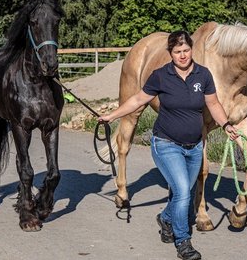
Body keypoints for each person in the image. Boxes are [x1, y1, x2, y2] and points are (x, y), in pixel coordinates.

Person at [98, 30, 238, 260]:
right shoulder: (161, 76)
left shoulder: (203, 75)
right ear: (170, 53)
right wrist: (112, 115)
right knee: (183, 191)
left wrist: (226, 125)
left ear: (191, 50)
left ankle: (165, 218)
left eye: (186, 50)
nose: (183, 55)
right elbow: (137, 99)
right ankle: (183, 241)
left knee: (185, 191)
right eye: (177, 52)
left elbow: (213, 104)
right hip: (165, 144)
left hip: (194, 147)